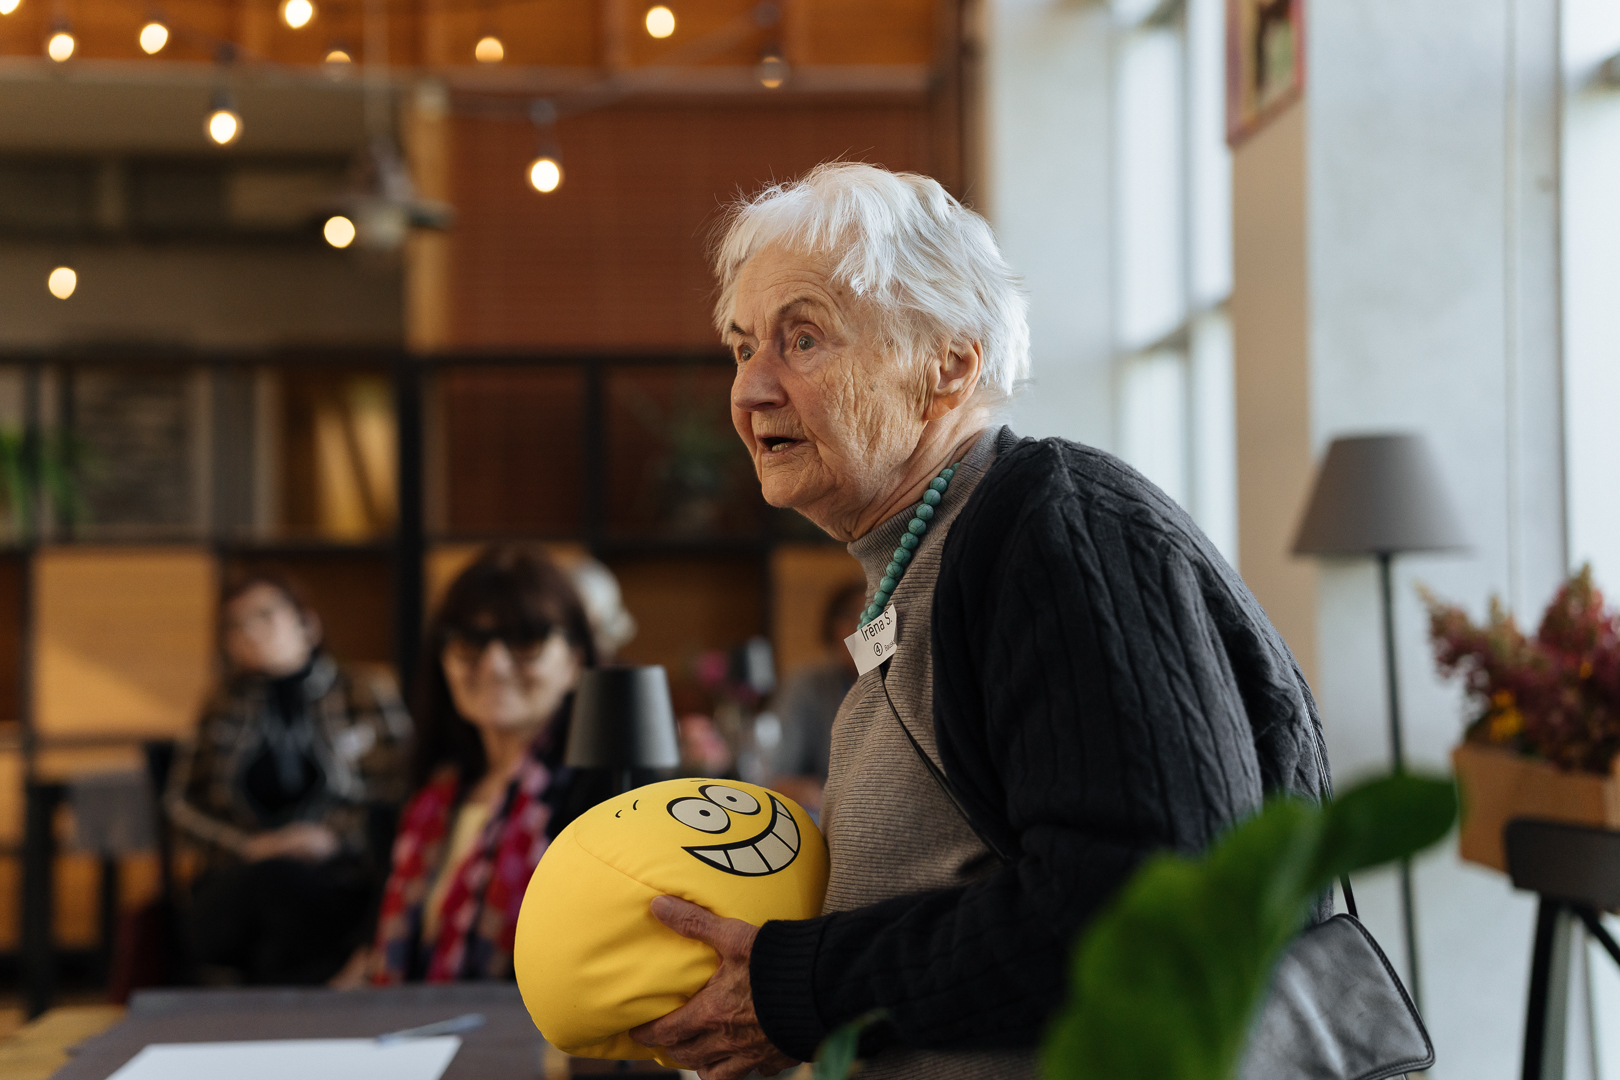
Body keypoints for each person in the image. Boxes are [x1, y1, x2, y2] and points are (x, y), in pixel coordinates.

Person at [626, 163, 1331, 1079]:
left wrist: (802, 988)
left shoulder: (1059, 529)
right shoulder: (927, 558)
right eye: (740, 347)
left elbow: (1143, 897)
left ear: (949, 365)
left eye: (802, 339)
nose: (751, 388)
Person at [363, 544, 613, 983]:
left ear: (575, 661)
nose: (494, 666)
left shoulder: (606, 799)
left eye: (526, 641)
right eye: (469, 643)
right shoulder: (425, 795)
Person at [167, 573, 411, 985]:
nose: (251, 632)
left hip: (339, 876)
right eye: (236, 624)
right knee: (270, 885)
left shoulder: (363, 691)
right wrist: (248, 847)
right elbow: (180, 804)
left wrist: (332, 838)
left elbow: (400, 788)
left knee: (281, 928)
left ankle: (273, 1001)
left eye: (264, 616)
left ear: (307, 624)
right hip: (239, 878)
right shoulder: (221, 705)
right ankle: (319, 998)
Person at [762, 581, 864, 813]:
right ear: (835, 628)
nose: (864, 631)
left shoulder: (896, 685)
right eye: (857, 620)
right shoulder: (807, 685)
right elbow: (778, 774)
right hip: (823, 810)